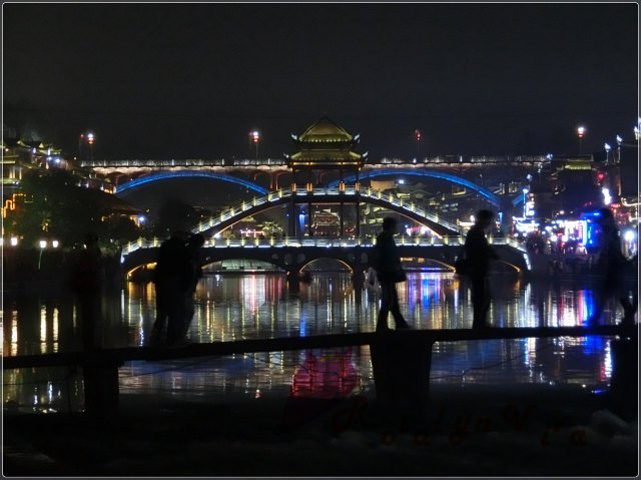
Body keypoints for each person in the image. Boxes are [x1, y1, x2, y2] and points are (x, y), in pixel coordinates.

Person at [587, 208, 635, 326]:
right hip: (614, 267)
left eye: (603, 220)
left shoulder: (613, 232)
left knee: (607, 294)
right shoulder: (610, 231)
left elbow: (613, 250)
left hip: (614, 267)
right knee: (616, 294)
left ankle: (597, 318)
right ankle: (629, 317)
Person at [151, 231, 192, 345]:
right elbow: (185, 268)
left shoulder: (165, 249)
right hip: (174, 282)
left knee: (162, 313)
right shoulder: (180, 251)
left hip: (163, 282)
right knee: (175, 312)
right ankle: (173, 339)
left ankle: (156, 339)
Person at [372, 217, 411, 332]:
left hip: (388, 272)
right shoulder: (385, 239)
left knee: (391, 299)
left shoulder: (385, 238)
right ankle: (382, 326)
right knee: (388, 300)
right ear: (391, 227)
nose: (397, 228)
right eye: (396, 226)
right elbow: (386, 256)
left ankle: (399, 323)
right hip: (387, 273)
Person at [464, 209, 500, 329]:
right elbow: (480, 250)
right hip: (478, 269)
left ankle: (479, 321)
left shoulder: (475, 232)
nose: (490, 223)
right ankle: (479, 322)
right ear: (483, 219)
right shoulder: (476, 233)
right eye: (489, 220)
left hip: (477, 269)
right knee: (483, 296)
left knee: (481, 295)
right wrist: (492, 254)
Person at [70, 234, 104, 350]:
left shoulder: (88, 258)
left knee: (90, 318)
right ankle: (90, 345)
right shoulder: (87, 259)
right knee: (89, 318)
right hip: (88, 291)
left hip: (90, 291)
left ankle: (90, 344)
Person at [183, 233, 205, 337]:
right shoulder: (191, 252)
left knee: (187, 311)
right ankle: (179, 336)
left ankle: (180, 335)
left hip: (187, 284)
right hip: (186, 284)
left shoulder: (188, 250)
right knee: (187, 311)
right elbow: (191, 268)